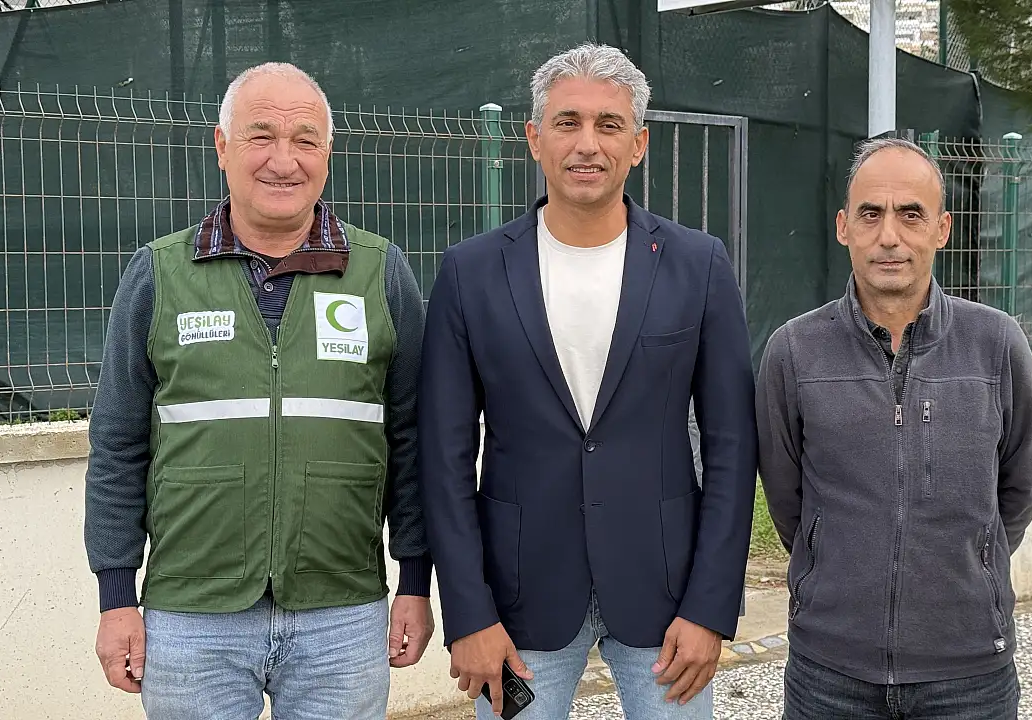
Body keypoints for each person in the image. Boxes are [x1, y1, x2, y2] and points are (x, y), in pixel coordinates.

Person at [83, 62, 434, 719]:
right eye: (261, 136)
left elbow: (413, 441)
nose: (283, 160)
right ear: (222, 147)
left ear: (328, 154)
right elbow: (117, 446)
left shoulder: (381, 274)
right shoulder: (159, 274)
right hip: (192, 617)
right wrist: (115, 598)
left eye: (305, 140)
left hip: (342, 617)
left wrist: (415, 579)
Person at [419, 43, 758, 719]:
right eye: (567, 122)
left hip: (667, 601)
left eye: (609, 125)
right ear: (534, 138)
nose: (587, 144)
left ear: (638, 144)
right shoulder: (469, 273)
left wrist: (711, 607)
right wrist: (468, 613)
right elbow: (443, 456)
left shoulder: (698, 265)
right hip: (518, 604)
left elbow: (732, 447)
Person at [756, 137, 1032, 719]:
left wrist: (969, 565)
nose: (889, 235)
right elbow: (788, 502)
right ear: (844, 227)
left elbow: (1018, 488)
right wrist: (830, 564)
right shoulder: (794, 352)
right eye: (871, 214)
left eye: (911, 214)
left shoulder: (996, 344)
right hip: (829, 676)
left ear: (942, 229)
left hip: (969, 678)